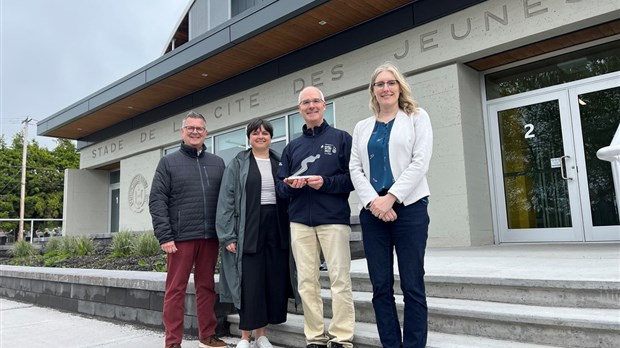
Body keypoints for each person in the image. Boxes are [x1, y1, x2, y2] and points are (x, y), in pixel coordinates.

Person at [349, 62, 433, 348]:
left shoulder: (417, 118)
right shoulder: (362, 127)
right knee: (380, 287)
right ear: (373, 90)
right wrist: (375, 201)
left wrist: (391, 197)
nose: (385, 88)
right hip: (373, 212)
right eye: (380, 84)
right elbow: (355, 168)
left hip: (409, 208)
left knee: (412, 285)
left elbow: (420, 162)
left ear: (400, 87)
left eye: (391, 82)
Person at [276, 86, 355, 348]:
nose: (310, 106)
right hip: (299, 222)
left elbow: (354, 179)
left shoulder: (342, 139)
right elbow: (280, 187)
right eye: (305, 102)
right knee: (306, 282)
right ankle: (315, 337)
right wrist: (291, 186)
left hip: (333, 219)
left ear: (324, 105)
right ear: (299, 109)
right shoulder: (292, 148)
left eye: (315, 101)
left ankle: (342, 338)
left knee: (339, 280)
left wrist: (326, 183)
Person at [216, 118, 298, 348]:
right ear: (249, 137)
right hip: (249, 227)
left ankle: (262, 335)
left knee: (271, 281)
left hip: (277, 227)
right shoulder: (238, 163)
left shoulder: (280, 162)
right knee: (250, 283)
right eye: (255, 133)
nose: (260, 136)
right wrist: (228, 235)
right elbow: (226, 201)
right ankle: (245, 337)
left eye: (265, 133)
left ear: (271, 137)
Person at [149, 111, 227, 348]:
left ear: (206, 132)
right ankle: (172, 342)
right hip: (179, 238)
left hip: (210, 237)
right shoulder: (168, 162)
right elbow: (157, 200)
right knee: (175, 289)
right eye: (190, 128)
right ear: (182, 132)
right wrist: (165, 236)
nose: (195, 132)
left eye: (199, 128)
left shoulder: (218, 163)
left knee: (207, 287)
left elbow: (226, 200)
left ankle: (207, 335)